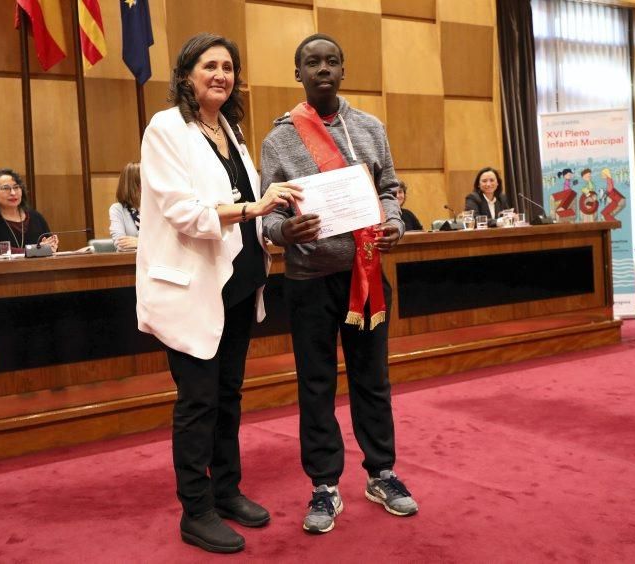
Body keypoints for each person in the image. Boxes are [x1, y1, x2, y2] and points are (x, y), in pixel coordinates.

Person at [135, 33, 302, 554]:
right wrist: (255, 208)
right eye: (210, 65)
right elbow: (185, 212)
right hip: (190, 290)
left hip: (237, 286)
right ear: (186, 74)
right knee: (198, 402)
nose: (221, 75)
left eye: (228, 67)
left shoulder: (229, 127)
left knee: (229, 398)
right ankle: (196, 509)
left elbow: (244, 202)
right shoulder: (166, 129)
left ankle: (226, 491)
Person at [260, 33, 418, 535]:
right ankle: (324, 486)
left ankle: (382, 473)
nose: (322, 68)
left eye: (331, 60)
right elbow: (268, 215)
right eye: (312, 62)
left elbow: (390, 187)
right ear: (298, 73)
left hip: (366, 276)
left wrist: (394, 222)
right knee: (317, 384)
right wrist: (285, 231)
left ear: (343, 70)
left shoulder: (370, 127)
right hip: (309, 281)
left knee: (373, 379)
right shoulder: (278, 139)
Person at [0, 168, 58, 256]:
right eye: (6, 188)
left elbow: (48, 248)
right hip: (4, 269)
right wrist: (34, 250)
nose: (13, 193)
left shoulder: (36, 217)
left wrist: (52, 246)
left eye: (16, 187)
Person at [109, 162, 141, 251]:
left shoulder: (156, 207)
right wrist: (149, 245)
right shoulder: (117, 209)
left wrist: (139, 242)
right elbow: (120, 244)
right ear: (134, 185)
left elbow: (165, 243)